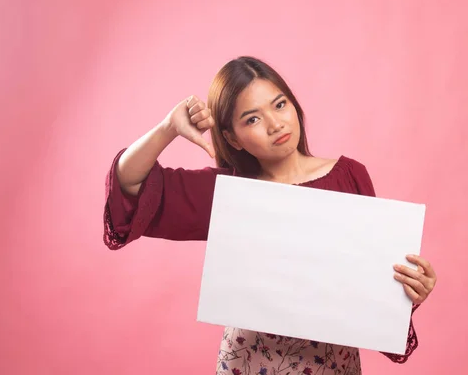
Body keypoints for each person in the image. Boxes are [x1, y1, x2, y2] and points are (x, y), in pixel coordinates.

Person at [103, 56, 437, 375]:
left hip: (332, 367)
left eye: (279, 105)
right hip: (248, 365)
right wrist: (167, 128)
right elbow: (129, 183)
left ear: (294, 105)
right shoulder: (229, 193)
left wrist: (408, 290)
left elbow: (372, 288)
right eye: (252, 118)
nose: (275, 124)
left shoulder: (348, 176)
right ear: (232, 137)